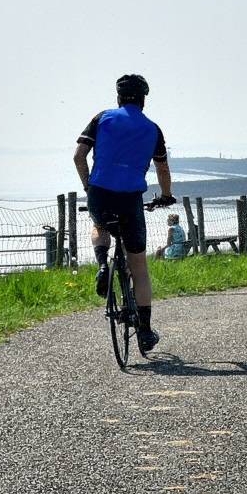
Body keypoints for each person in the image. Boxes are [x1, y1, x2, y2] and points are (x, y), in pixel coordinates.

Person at [73, 73, 174, 354]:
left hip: (100, 192)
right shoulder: (152, 128)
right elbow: (163, 169)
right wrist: (166, 196)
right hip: (130, 199)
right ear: (143, 100)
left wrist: (88, 186)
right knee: (139, 267)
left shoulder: (102, 118)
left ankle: (103, 263)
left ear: (118, 97)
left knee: (99, 225)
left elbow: (79, 156)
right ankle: (143, 331)